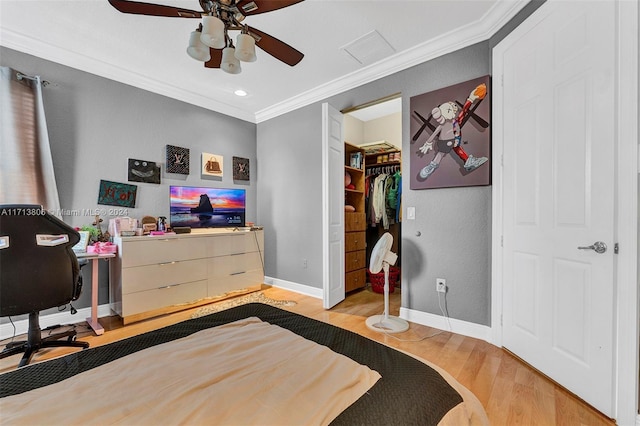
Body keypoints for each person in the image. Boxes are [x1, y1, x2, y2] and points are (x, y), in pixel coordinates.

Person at [417, 83, 488, 179]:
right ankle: (432, 166)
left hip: (452, 141)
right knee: (442, 153)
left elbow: (463, 112)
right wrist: (428, 142)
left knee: (453, 149)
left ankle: (467, 161)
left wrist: (471, 98)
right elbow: (435, 133)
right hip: (443, 142)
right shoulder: (443, 125)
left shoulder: (455, 122)